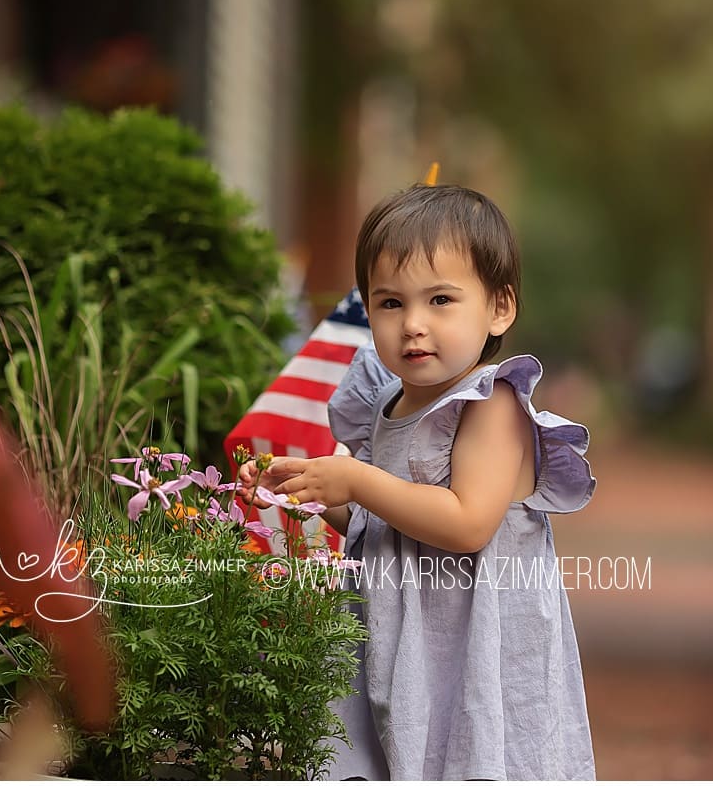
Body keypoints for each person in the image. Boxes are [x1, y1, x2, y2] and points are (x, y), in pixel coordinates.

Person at [240, 182, 597, 780]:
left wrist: (355, 480)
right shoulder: (385, 405)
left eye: (440, 300)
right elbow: (386, 523)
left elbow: (466, 524)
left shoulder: (491, 405)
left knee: (472, 756)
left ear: (499, 308)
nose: (412, 325)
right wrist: (311, 492)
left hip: (475, 648)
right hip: (400, 641)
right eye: (389, 303)